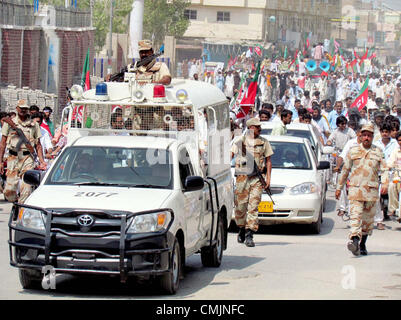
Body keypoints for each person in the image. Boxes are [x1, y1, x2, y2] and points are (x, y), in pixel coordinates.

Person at [335, 123, 388, 256]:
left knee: (367, 222)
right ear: (360, 136)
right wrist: (339, 187)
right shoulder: (353, 151)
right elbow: (345, 170)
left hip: (371, 192)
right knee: (355, 217)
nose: (366, 138)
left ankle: (362, 243)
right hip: (355, 191)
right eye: (364, 135)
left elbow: (385, 169)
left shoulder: (378, 152)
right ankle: (354, 240)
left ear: (372, 137)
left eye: (369, 136)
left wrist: (386, 183)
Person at [231, 117, 273, 247]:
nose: (260, 129)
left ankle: (250, 234)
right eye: (258, 127)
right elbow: (229, 156)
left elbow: (268, 161)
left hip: (257, 178)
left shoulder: (263, 142)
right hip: (242, 178)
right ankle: (242, 229)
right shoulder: (240, 141)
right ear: (251, 128)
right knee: (241, 207)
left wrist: (268, 178)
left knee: (253, 207)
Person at [0, 100, 47, 203]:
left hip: (27, 158)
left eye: (25, 108)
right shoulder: (9, 123)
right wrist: (0, 161)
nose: (23, 110)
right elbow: (3, 143)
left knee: (27, 188)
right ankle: (16, 203)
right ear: (17, 108)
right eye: (21, 108)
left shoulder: (34, 125)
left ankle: (21, 207)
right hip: (13, 158)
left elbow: (38, 145)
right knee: (9, 191)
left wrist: (42, 160)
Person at [106, 40, 171, 85]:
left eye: (146, 52)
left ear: (152, 52)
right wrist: (111, 76)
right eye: (141, 52)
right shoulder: (132, 67)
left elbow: (167, 80)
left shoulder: (160, 66)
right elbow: (121, 78)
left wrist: (151, 84)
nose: (144, 54)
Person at [387, 131, 401, 222]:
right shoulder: (395, 151)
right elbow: (390, 163)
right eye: (399, 140)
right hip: (397, 176)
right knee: (391, 186)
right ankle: (393, 208)